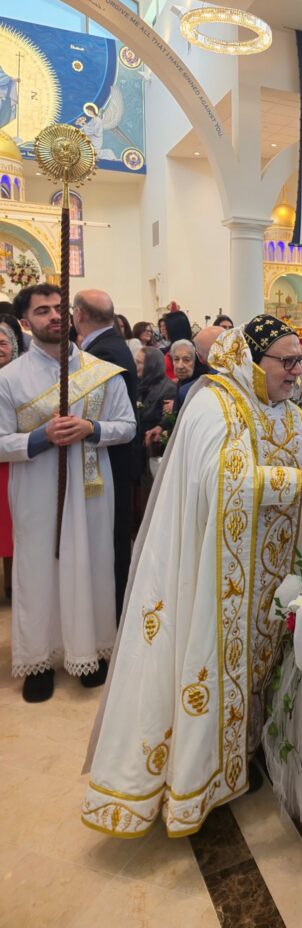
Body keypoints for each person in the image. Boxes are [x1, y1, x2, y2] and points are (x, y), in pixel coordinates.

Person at [82, 316, 302, 838]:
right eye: (287, 362)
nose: (297, 371)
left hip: (264, 575)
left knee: (255, 673)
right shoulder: (216, 403)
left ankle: (240, 760)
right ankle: (196, 784)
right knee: (212, 667)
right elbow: (216, 476)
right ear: (252, 361)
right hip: (213, 574)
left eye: (299, 361)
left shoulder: (285, 412)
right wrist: (294, 482)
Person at [0, 284, 135, 702]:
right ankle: (39, 660)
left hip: (92, 490)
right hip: (36, 489)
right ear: (26, 322)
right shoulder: (9, 378)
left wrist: (92, 428)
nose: (55, 316)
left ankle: (90, 652)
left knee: (92, 565)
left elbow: (127, 426)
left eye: (60, 307)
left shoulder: (102, 371)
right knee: (38, 571)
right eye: (42, 310)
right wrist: (39, 437)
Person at [73, 289, 139, 623]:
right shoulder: (110, 344)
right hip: (111, 458)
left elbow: (119, 418)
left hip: (112, 459)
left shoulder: (104, 352)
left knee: (112, 542)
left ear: (79, 315)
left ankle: (112, 614)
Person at [0, 321, 18, 599]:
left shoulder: (19, 377)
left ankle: (12, 585)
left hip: (13, 462)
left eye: (2, 343)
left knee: (11, 528)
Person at [136, 347, 176, 438]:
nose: (135, 366)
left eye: (139, 362)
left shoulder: (169, 389)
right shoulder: (139, 383)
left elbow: (165, 423)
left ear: (151, 366)